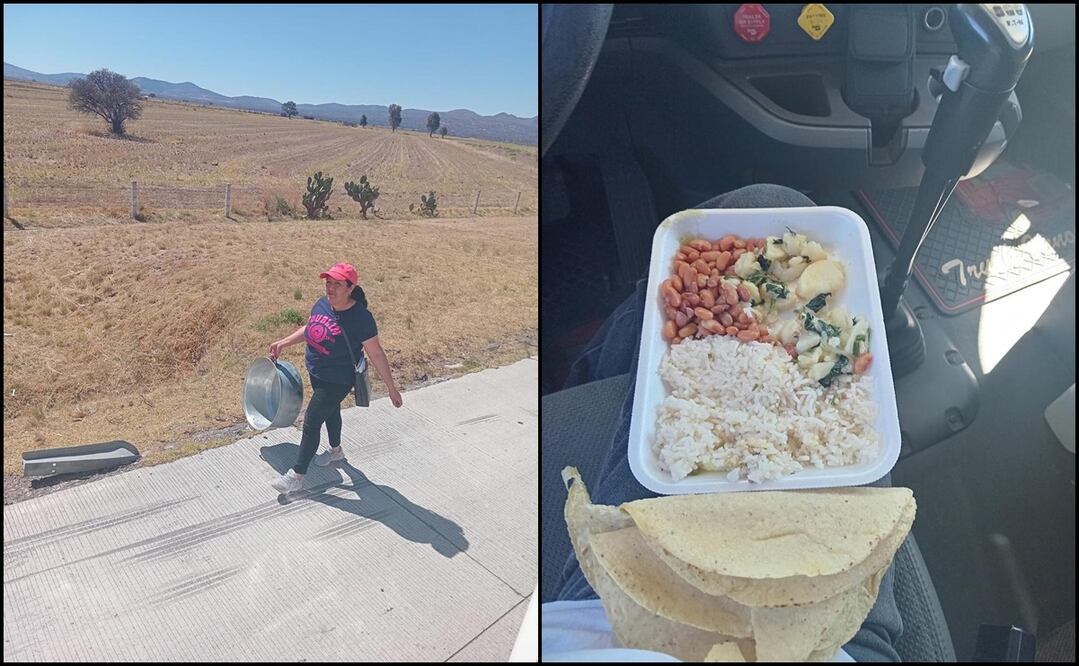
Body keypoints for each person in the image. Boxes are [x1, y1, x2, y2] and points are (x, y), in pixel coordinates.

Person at [541, 185, 903, 662]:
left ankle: (588, 369)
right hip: (839, 645)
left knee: (643, 320)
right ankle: (596, 363)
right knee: (767, 200)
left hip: (586, 618)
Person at [267, 262, 403, 495]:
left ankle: (297, 475)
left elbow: (377, 354)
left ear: (350, 288)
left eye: (337, 284)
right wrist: (284, 342)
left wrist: (391, 388)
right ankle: (336, 451)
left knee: (311, 421)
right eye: (328, 283)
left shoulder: (361, 318)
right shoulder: (322, 304)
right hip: (317, 371)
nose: (330, 288)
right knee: (331, 411)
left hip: (338, 379)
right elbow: (310, 328)